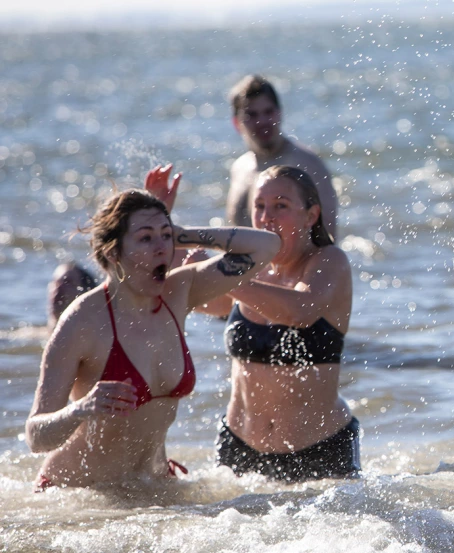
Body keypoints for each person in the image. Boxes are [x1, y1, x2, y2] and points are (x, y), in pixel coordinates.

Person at [25, 166, 281, 489]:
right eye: (146, 238)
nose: (162, 248)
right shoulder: (82, 321)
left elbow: (267, 246)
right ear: (113, 252)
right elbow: (36, 435)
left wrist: (180, 232)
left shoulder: (179, 292)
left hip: (153, 485)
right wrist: (81, 408)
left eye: (166, 237)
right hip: (79, 492)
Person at [195, 165, 359, 482]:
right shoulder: (248, 267)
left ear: (311, 215)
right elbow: (190, 297)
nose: (266, 217)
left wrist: (225, 279)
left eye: (280, 206)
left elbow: (301, 310)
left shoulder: (329, 262)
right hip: (238, 448)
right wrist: (161, 224)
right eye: (259, 206)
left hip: (319, 453)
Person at [226, 75, 339, 240]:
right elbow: (234, 238)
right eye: (252, 114)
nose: (262, 121)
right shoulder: (239, 167)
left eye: (268, 112)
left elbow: (327, 240)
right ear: (236, 123)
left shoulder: (308, 164)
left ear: (280, 113)